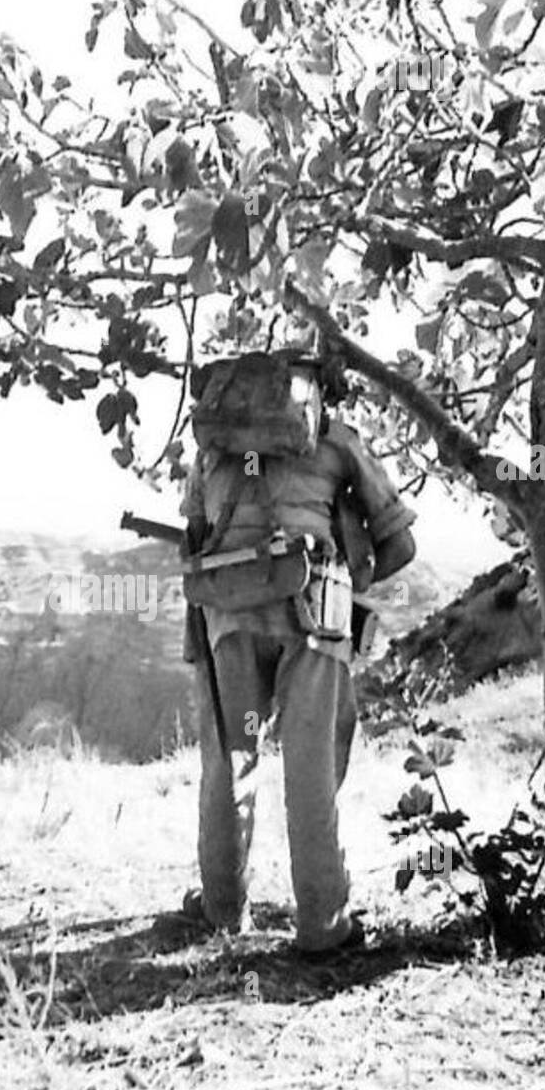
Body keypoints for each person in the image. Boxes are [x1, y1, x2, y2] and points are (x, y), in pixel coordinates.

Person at [178, 365, 418, 957]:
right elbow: (401, 544)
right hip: (315, 619)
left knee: (229, 762)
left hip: (228, 614)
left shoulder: (215, 448)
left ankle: (220, 908)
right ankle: (323, 926)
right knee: (310, 769)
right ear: (318, 394)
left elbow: (194, 537)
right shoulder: (339, 442)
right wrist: (348, 578)